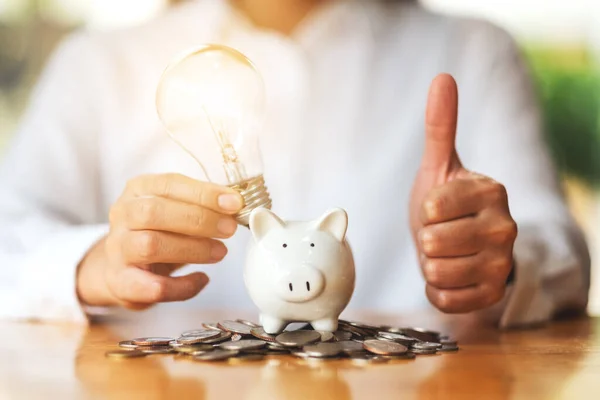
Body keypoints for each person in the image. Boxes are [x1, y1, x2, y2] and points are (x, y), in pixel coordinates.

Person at [0, 0, 590, 327]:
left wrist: (498, 256)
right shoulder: (99, 65)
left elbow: (561, 251)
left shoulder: (470, 50)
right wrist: (90, 263)